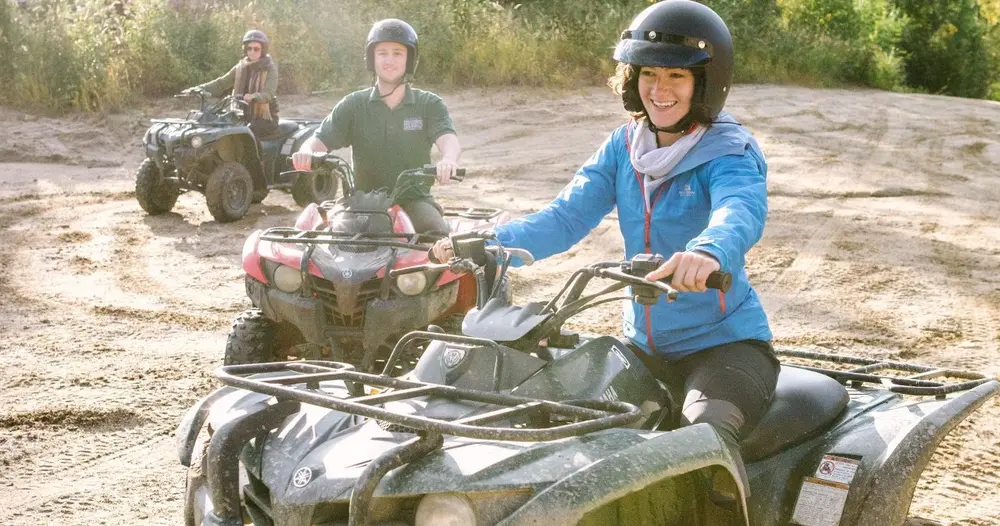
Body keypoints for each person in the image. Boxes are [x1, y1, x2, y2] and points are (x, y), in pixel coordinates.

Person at [431, 0, 776, 500]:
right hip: (641, 348)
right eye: (648, 73)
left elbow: (739, 209)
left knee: (701, 447)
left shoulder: (729, 150)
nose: (659, 89)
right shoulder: (624, 146)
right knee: (562, 426)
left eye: (676, 75)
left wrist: (708, 252)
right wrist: (490, 242)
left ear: (706, 82)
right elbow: (565, 218)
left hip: (724, 348)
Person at [291, 19, 460, 234]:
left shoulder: (429, 104)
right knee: (327, 240)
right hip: (360, 201)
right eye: (382, 53)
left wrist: (448, 160)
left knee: (436, 234)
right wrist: (305, 153)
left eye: (397, 53)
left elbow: (448, 140)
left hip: (414, 200)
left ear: (410, 59)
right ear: (372, 59)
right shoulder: (354, 104)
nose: (389, 60)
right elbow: (318, 141)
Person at [191, 29, 280, 137]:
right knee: (219, 126)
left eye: (256, 49)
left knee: (245, 133)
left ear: (263, 50)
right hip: (241, 114)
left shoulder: (270, 69)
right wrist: (198, 88)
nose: (252, 51)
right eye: (249, 48)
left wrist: (254, 96)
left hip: (264, 118)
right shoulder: (240, 67)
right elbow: (221, 84)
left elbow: (268, 94)